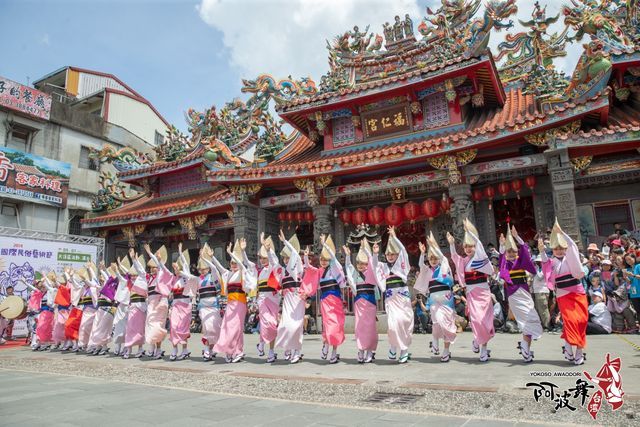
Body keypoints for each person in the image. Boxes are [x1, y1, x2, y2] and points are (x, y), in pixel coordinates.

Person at [539, 219, 588, 365]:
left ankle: (577, 350)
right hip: (563, 294)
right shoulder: (552, 262)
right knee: (571, 321)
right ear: (552, 249)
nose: (559, 250)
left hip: (578, 292)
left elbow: (573, 246)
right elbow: (545, 265)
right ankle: (570, 347)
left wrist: (562, 234)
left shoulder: (570, 257)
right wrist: (542, 251)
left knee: (582, 321)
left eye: (561, 248)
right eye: (556, 248)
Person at [448, 219, 495, 362]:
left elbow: (480, 246)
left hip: (484, 292)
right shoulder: (464, 261)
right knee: (476, 320)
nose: (468, 249)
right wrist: (451, 244)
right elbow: (455, 258)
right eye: (466, 246)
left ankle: (483, 348)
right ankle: (478, 340)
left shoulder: (482, 258)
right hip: (472, 293)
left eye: (471, 246)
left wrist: (471, 232)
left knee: (485, 321)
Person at [499, 226, 543, 363]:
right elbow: (501, 261)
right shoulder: (505, 264)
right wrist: (501, 245)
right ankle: (526, 349)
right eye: (509, 251)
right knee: (524, 322)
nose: (511, 253)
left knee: (532, 316)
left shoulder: (521, 261)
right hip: (514, 294)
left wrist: (517, 237)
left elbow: (525, 250)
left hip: (524, 292)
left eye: (513, 251)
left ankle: (525, 347)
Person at [302, 235, 346, 364]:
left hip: (336, 300)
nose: (323, 261)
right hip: (325, 300)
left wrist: (324, 245)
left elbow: (333, 257)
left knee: (336, 326)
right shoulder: (319, 271)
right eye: (322, 259)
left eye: (326, 260)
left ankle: (334, 352)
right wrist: (305, 257)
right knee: (327, 326)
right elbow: (308, 268)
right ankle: (326, 345)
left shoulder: (335, 269)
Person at [211, 239, 257, 363]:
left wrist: (235, 253)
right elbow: (219, 268)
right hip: (230, 304)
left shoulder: (242, 272)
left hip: (240, 304)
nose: (233, 265)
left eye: (235, 263)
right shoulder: (228, 274)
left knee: (236, 328)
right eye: (231, 263)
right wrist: (212, 257)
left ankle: (236, 351)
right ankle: (233, 351)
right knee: (227, 327)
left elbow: (242, 265)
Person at [373, 226, 413, 364]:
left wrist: (394, 237)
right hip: (390, 299)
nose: (390, 256)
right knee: (392, 324)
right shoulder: (383, 267)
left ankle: (404, 350)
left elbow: (403, 251)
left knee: (403, 323)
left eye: (393, 254)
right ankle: (393, 346)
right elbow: (374, 265)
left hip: (402, 298)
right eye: (388, 254)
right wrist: (374, 254)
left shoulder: (402, 266)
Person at [415, 232, 456, 362]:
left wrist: (435, 245)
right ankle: (435, 340)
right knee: (436, 324)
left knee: (446, 324)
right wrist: (422, 253)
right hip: (433, 301)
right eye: (431, 258)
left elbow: (444, 258)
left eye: (435, 258)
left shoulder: (444, 266)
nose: (433, 261)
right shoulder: (427, 271)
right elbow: (421, 266)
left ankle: (446, 350)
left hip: (446, 301)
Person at [184, 243, 223, 361]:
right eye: (200, 269)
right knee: (207, 328)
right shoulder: (198, 279)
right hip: (203, 308)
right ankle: (206, 348)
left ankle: (211, 348)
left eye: (204, 269)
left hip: (214, 307)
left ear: (208, 268)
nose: (202, 271)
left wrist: (208, 258)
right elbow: (186, 274)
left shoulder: (213, 276)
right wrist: (182, 259)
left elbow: (215, 269)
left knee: (215, 329)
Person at [343, 238, 380, 363]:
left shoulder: (372, 272)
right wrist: (348, 256)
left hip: (370, 302)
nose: (360, 266)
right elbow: (348, 267)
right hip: (359, 302)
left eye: (363, 263)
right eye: (358, 263)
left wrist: (372, 252)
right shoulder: (355, 274)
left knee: (370, 327)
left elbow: (374, 263)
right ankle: (361, 350)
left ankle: (369, 350)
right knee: (359, 327)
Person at [274, 230, 305, 364]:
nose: (286, 260)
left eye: (288, 257)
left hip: (297, 298)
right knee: (285, 325)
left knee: (296, 326)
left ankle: (296, 351)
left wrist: (285, 242)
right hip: (287, 300)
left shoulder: (298, 267)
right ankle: (289, 347)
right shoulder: (283, 271)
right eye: (284, 258)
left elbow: (295, 254)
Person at [143, 244, 173, 360]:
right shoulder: (149, 279)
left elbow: (161, 267)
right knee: (150, 324)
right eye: (151, 268)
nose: (152, 269)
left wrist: (151, 254)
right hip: (151, 303)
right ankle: (151, 346)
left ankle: (158, 348)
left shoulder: (162, 274)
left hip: (161, 302)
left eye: (154, 267)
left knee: (158, 326)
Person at [255, 233, 281, 363]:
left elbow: (274, 260)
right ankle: (262, 344)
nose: (263, 260)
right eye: (261, 258)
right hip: (263, 300)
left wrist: (268, 249)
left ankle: (270, 350)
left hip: (274, 300)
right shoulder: (260, 272)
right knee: (267, 323)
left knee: (272, 325)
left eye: (264, 258)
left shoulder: (273, 268)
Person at [168, 247, 193, 361]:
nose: (175, 270)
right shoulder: (174, 279)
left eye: (177, 268)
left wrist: (180, 252)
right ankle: (174, 349)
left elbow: (185, 265)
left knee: (183, 328)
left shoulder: (186, 278)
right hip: (175, 306)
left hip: (186, 306)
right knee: (173, 327)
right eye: (174, 268)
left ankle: (184, 349)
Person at [88, 262, 118, 355]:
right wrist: (91, 269)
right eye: (100, 276)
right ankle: (99, 346)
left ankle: (103, 346)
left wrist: (104, 269)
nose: (101, 277)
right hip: (100, 309)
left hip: (108, 309)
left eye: (102, 277)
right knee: (97, 327)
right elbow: (92, 281)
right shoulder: (101, 287)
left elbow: (108, 277)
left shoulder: (111, 284)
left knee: (103, 328)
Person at [123, 251, 149, 359]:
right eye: (131, 275)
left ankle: (140, 348)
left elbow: (141, 271)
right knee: (130, 328)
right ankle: (128, 348)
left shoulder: (142, 279)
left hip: (141, 307)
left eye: (134, 275)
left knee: (140, 329)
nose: (133, 277)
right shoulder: (131, 284)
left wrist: (134, 259)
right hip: (133, 307)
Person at [531, 255, 551, 330]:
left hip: (542, 291)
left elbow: (540, 277)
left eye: (539, 262)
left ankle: (547, 325)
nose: (537, 263)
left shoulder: (544, 269)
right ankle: (543, 324)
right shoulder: (539, 269)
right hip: (538, 291)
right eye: (537, 262)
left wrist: (535, 268)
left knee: (543, 309)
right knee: (539, 309)